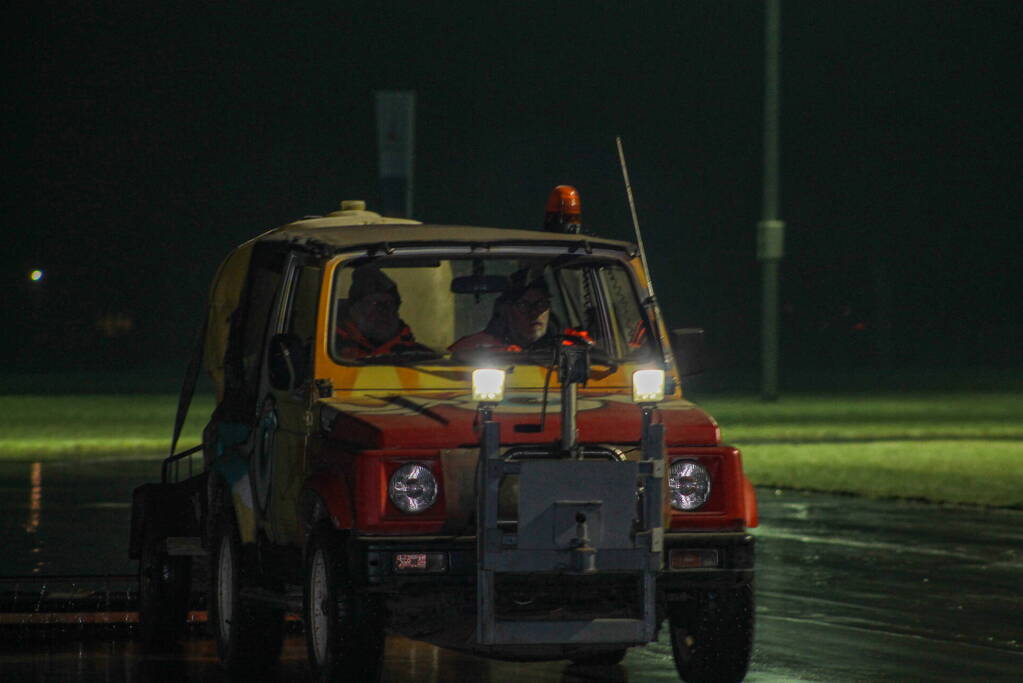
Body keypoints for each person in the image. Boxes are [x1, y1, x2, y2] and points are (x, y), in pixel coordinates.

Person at [336, 265, 431, 358]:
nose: (383, 311)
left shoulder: (419, 356)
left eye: (389, 303)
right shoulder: (331, 349)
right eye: (374, 303)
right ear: (355, 310)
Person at [449, 272, 555, 352]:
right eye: (523, 306)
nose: (534, 313)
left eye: (541, 305)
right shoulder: (470, 348)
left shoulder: (564, 349)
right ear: (506, 310)